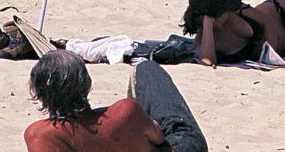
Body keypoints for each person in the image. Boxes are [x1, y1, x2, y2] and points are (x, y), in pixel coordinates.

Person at [23, 50, 208, 152]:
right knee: (147, 68)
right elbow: (159, 138)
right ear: (86, 84)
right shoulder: (126, 111)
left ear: (41, 94)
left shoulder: (41, 135)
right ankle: (144, 65)